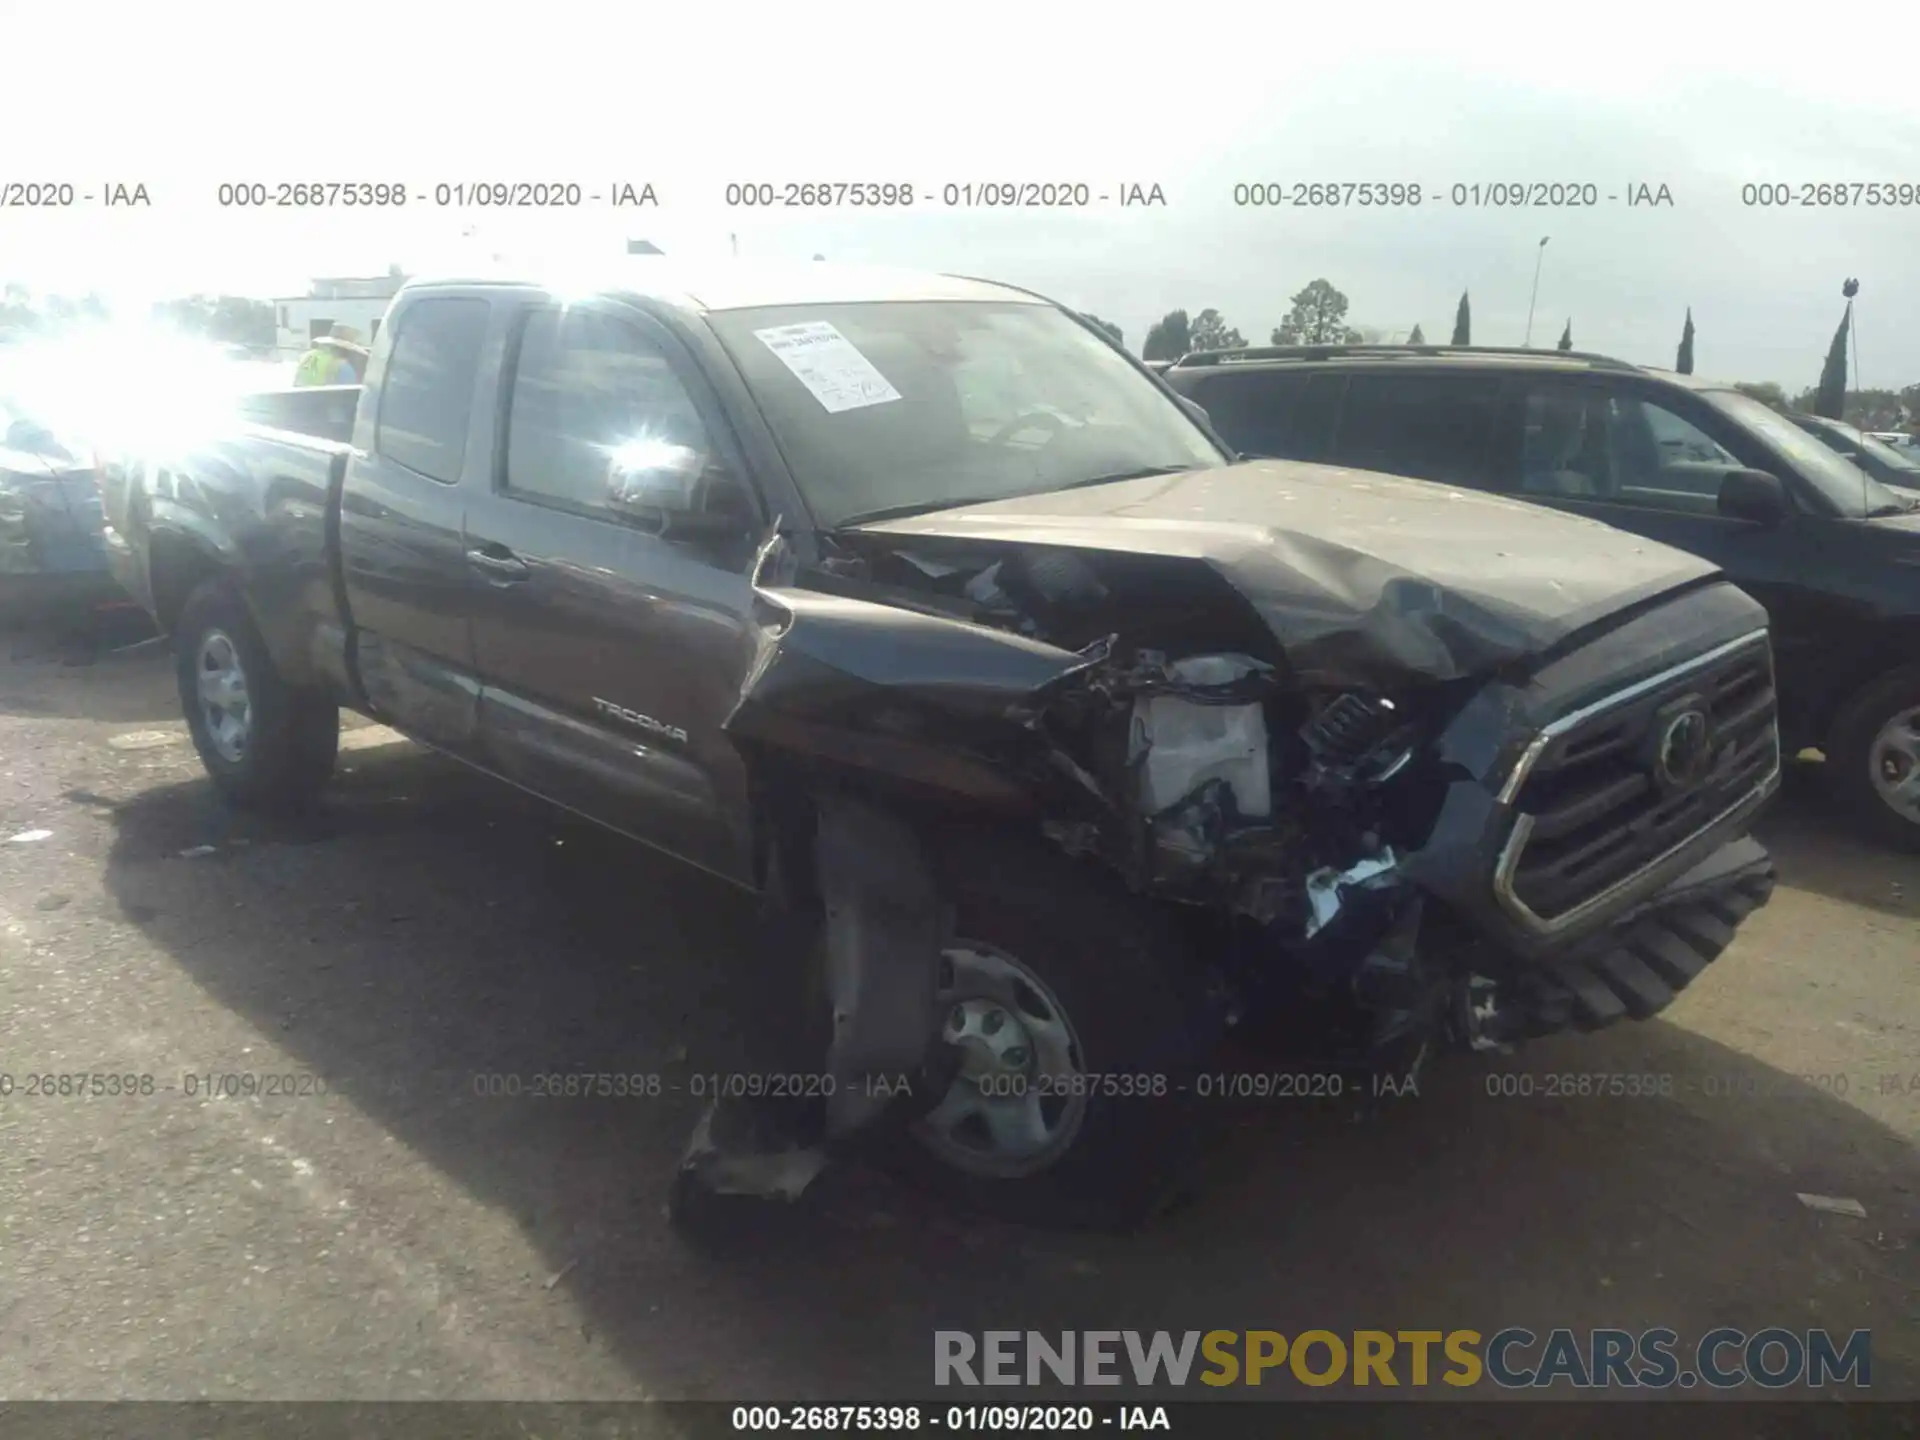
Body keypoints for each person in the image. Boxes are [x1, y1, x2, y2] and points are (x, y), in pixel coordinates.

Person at [293, 325, 369, 387]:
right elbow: (349, 396)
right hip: (324, 403)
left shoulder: (307, 356)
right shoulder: (342, 367)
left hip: (298, 402)